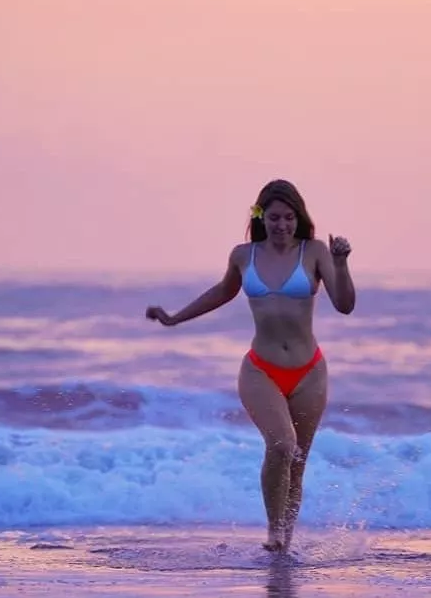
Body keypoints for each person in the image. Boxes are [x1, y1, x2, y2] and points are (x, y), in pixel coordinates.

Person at [145, 179, 355, 552]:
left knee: (298, 462)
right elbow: (221, 293)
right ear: (261, 217)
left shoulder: (315, 251)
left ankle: (285, 543)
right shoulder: (244, 256)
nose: (282, 225)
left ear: (299, 217)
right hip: (261, 369)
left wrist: (341, 263)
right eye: (274, 217)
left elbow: (344, 303)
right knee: (281, 444)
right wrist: (175, 318)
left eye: (289, 218)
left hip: (309, 371)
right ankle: (274, 533)